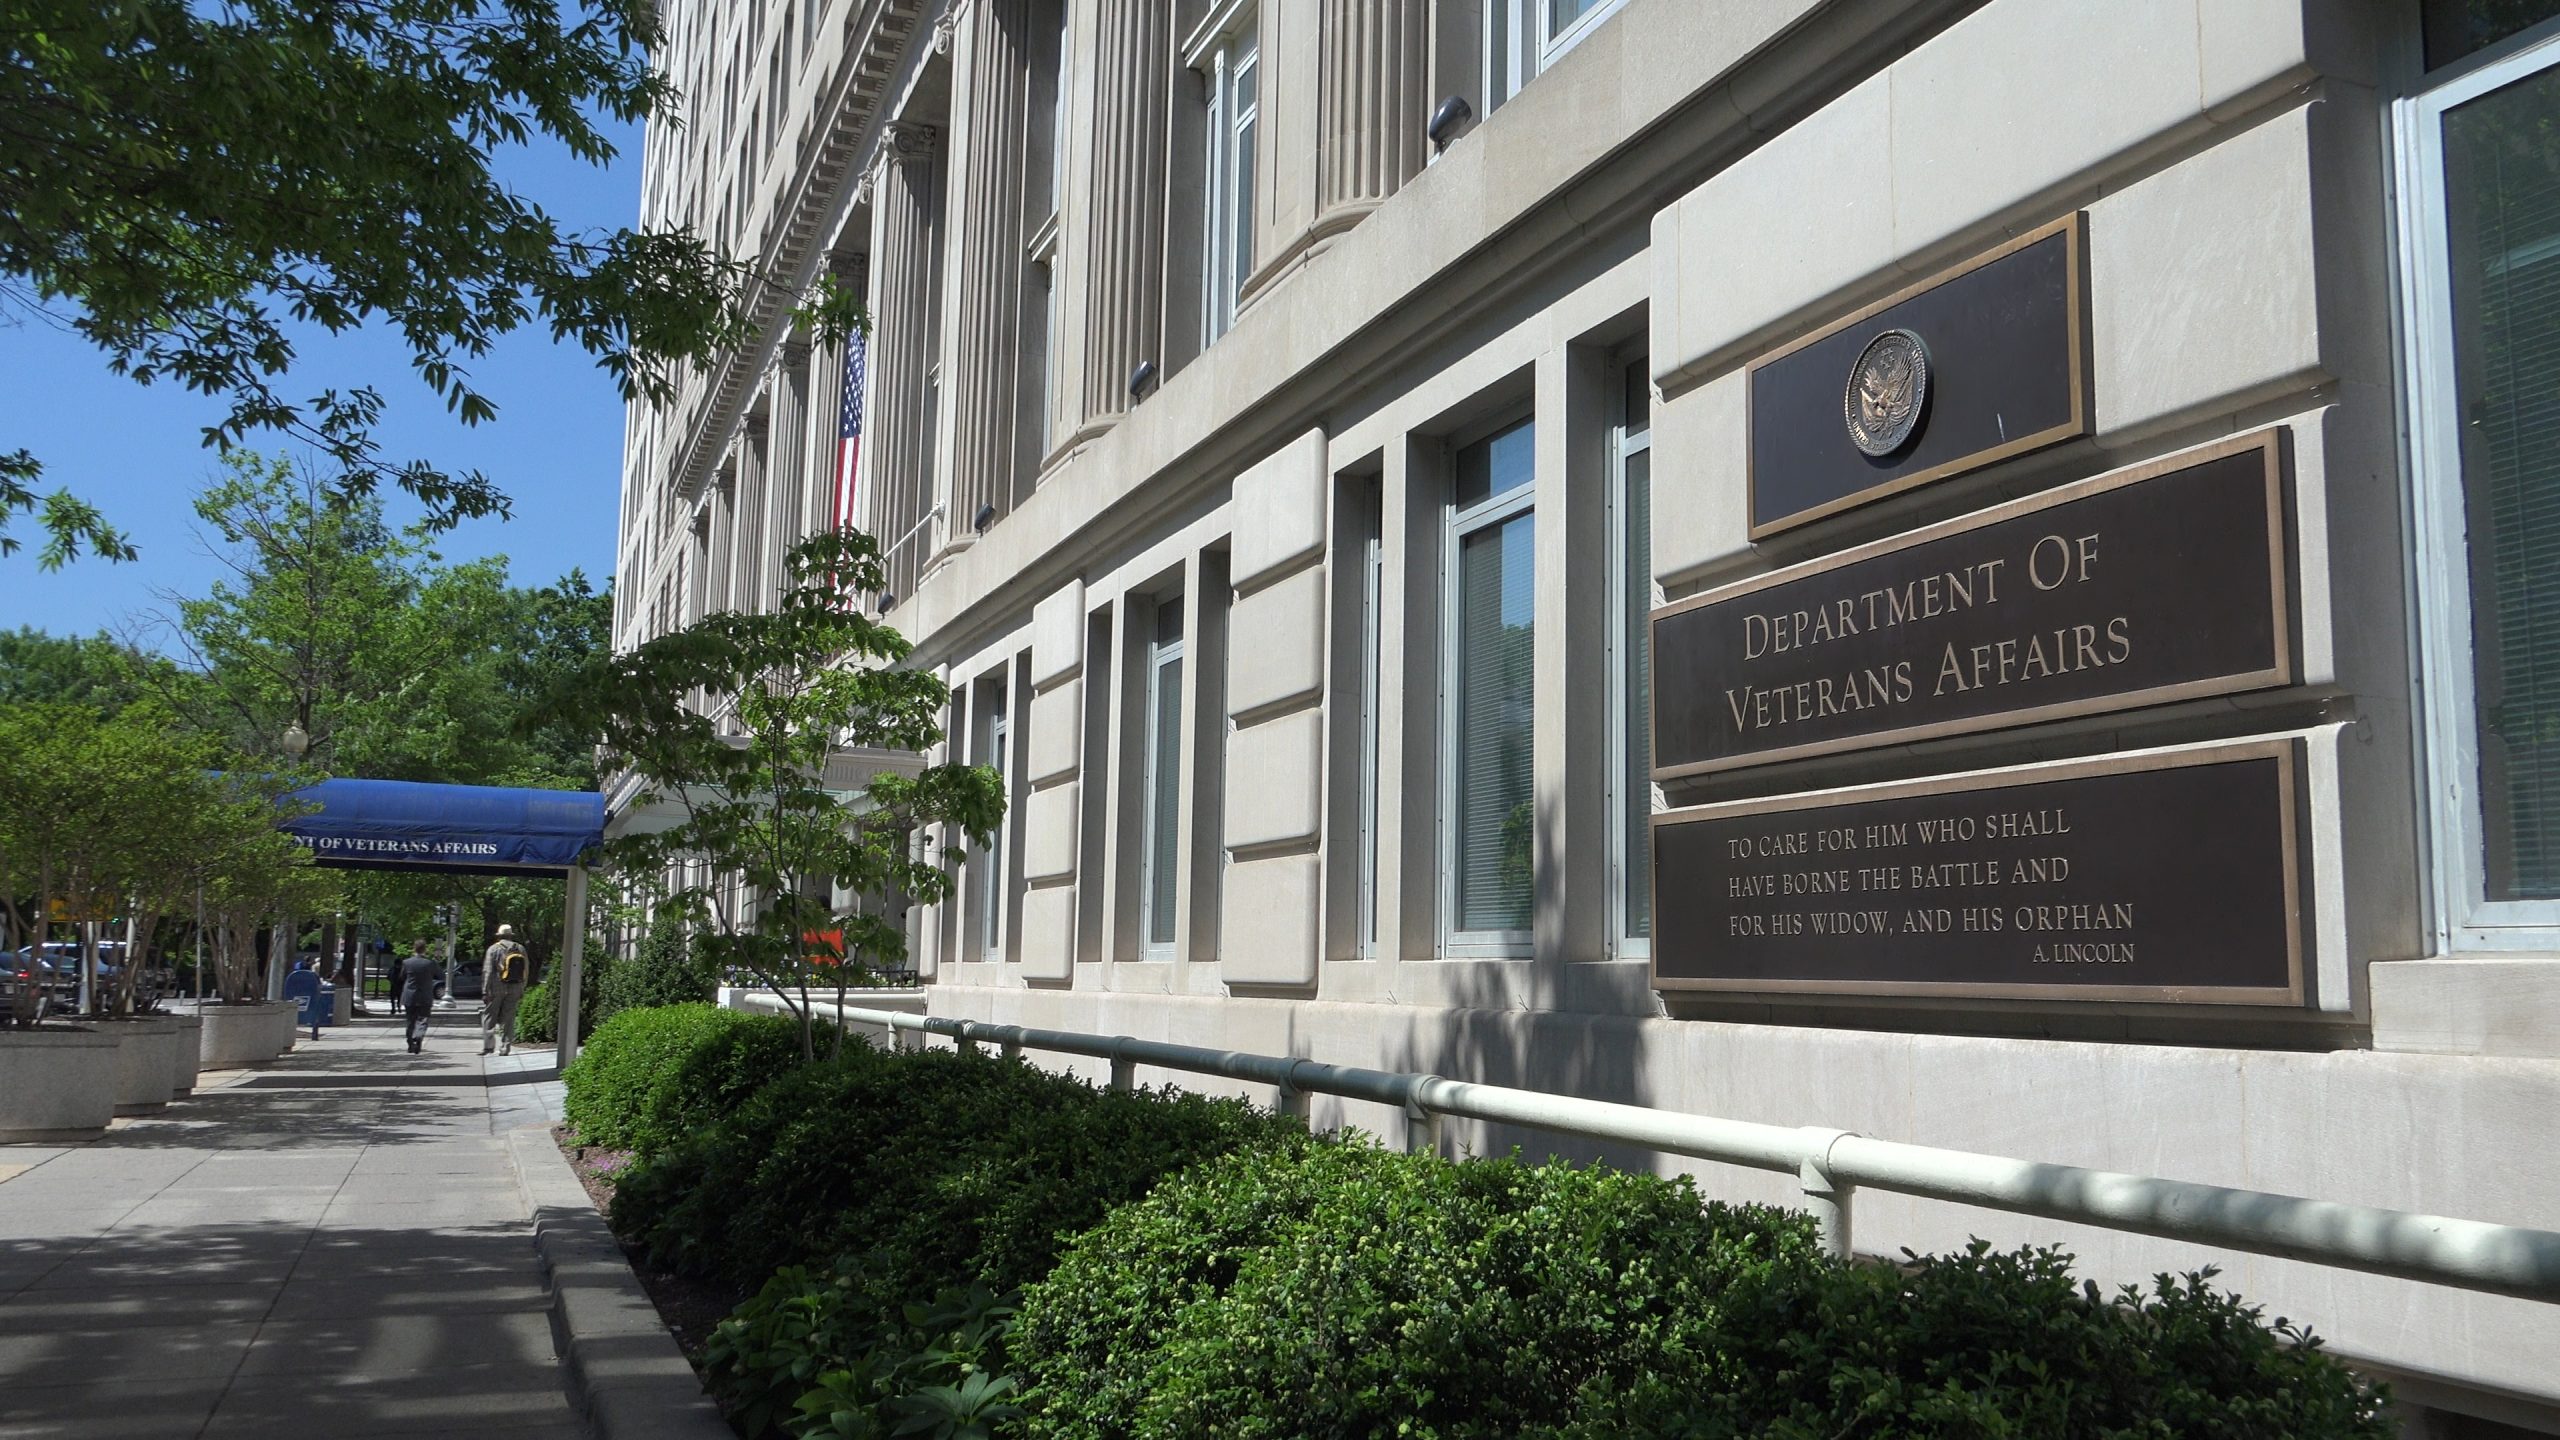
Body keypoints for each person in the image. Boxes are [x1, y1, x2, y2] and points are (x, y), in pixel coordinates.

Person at [481, 924, 531, 1057]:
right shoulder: (520, 948)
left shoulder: (493, 949)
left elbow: (488, 971)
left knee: (489, 1017)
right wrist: (522, 987)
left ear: (499, 936)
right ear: (510, 935)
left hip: (496, 988)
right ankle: (505, 1048)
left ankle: (489, 1046)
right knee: (509, 1019)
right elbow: (526, 969)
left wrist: (485, 991)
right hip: (515, 987)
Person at [394, 939, 440, 1055]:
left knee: (410, 1021)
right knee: (422, 1020)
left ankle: (410, 1044)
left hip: (410, 995)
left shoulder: (407, 962)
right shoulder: (430, 963)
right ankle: (418, 1036)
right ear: (425, 949)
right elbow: (440, 975)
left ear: (414, 949)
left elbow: (402, 977)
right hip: (425, 996)